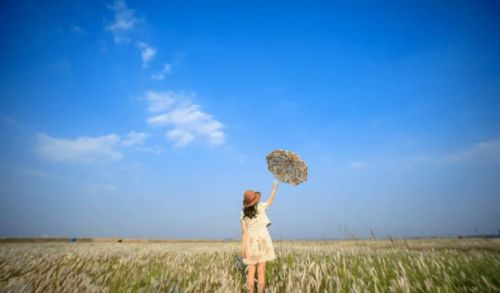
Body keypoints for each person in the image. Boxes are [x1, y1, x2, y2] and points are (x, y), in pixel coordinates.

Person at [240, 178, 279, 293]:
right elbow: (270, 200)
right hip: (263, 240)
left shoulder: (243, 213)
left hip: (250, 242)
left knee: (251, 271)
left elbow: (244, 232)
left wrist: (243, 247)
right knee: (261, 270)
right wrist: (274, 188)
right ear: (255, 200)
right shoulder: (261, 207)